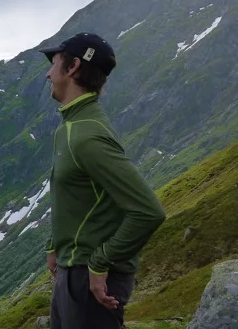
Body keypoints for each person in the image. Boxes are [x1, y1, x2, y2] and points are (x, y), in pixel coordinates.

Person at [37, 32, 166, 329]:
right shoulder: (72, 127)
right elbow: (80, 197)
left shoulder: (88, 135)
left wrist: (100, 263)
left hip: (90, 280)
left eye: (54, 63)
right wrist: (55, 245)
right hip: (74, 271)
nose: (48, 73)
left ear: (72, 68)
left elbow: (148, 211)